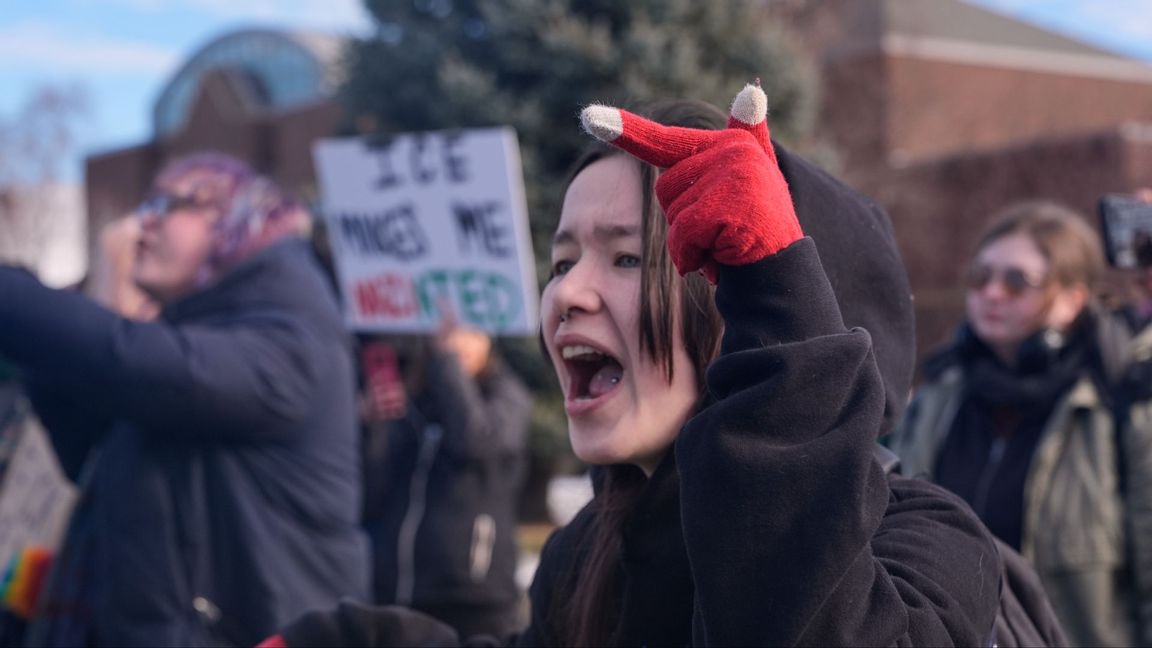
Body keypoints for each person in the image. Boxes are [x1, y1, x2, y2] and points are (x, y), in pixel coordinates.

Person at [263, 84, 1000, 647]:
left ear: (774, 299)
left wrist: (779, 313)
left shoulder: (926, 541)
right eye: (561, 260)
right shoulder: (588, 548)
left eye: (625, 257)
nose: (566, 293)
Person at [0, 152, 370, 647]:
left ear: (237, 219)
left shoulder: (293, 333)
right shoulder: (192, 332)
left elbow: (132, 363)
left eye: (167, 205)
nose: (140, 225)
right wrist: (104, 302)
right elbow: (88, 453)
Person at [889, 201, 1152, 646]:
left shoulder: (1116, 407)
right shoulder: (937, 398)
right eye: (981, 277)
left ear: (1074, 299)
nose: (992, 293)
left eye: (1017, 282)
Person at [358, 321, 531, 638]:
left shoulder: (508, 396)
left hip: (475, 599)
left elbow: (473, 439)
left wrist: (447, 363)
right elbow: (373, 488)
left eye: (470, 331)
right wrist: (370, 425)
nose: (458, 341)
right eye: (449, 331)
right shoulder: (413, 402)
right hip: (400, 593)